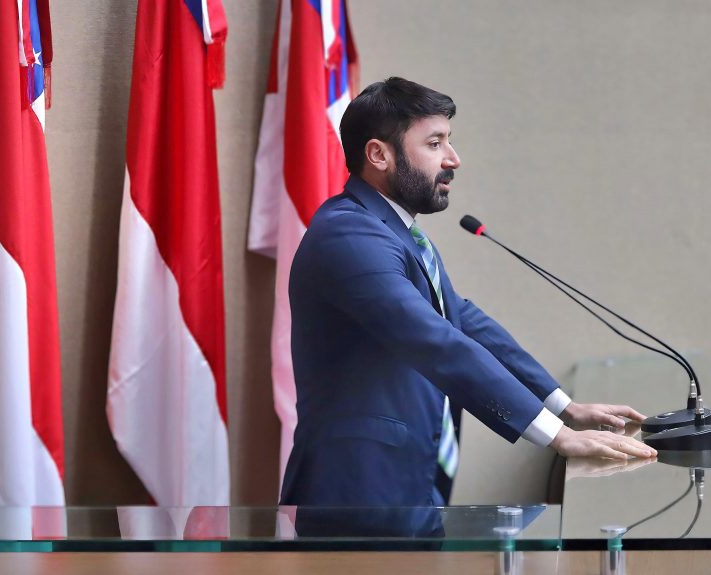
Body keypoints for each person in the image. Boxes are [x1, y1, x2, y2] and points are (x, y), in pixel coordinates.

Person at [279, 77, 655, 508]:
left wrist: (563, 407)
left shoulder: (394, 231)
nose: (454, 160)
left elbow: (461, 320)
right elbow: (436, 340)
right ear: (379, 154)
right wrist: (558, 436)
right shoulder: (349, 234)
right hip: (356, 489)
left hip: (410, 476)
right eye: (435, 144)